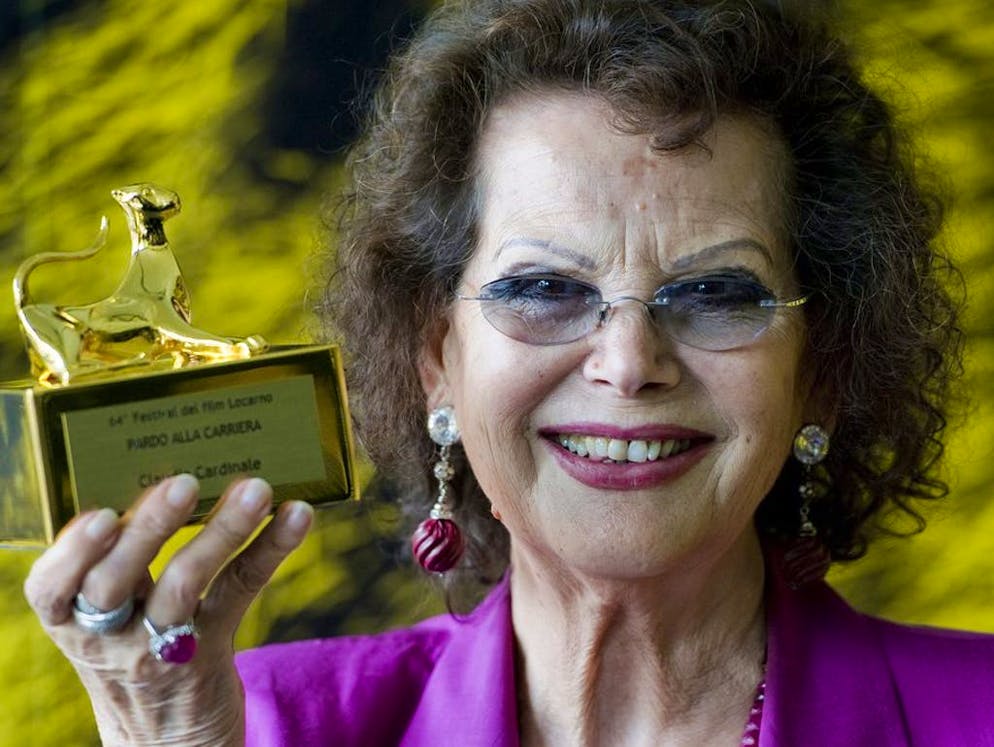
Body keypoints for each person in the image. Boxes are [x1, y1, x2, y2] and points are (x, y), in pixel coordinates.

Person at [23, 0, 994, 744]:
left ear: (821, 368)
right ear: (436, 359)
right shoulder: (257, 724)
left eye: (714, 293)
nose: (628, 364)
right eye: (542, 288)